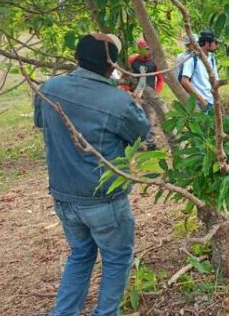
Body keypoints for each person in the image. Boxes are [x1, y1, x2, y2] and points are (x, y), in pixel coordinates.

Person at [34, 33, 149, 316]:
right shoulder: (118, 102)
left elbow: (41, 122)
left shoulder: (49, 88)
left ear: (77, 57)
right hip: (103, 199)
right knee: (117, 258)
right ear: (113, 65)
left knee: (81, 254)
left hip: (64, 196)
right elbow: (140, 133)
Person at [128, 38, 164, 150]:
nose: (147, 52)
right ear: (139, 49)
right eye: (145, 49)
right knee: (136, 118)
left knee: (150, 119)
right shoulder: (133, 61)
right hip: (136, 95)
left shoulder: (154, 62)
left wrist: (156, 93)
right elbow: (127, 77)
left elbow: (160, 79)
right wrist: (128, 90)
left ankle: (150, 143)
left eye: (149, 49)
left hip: (150, 96)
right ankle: (135, 143)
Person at [180, 30, 219, 112]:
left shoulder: (212, 58)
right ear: (207, 43)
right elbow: (184, 81)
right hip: (200, 102)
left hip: (212, 99)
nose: (217, 45)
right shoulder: (192, 59)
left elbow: (215, 78)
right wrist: (201, 99)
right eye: (215, 42)